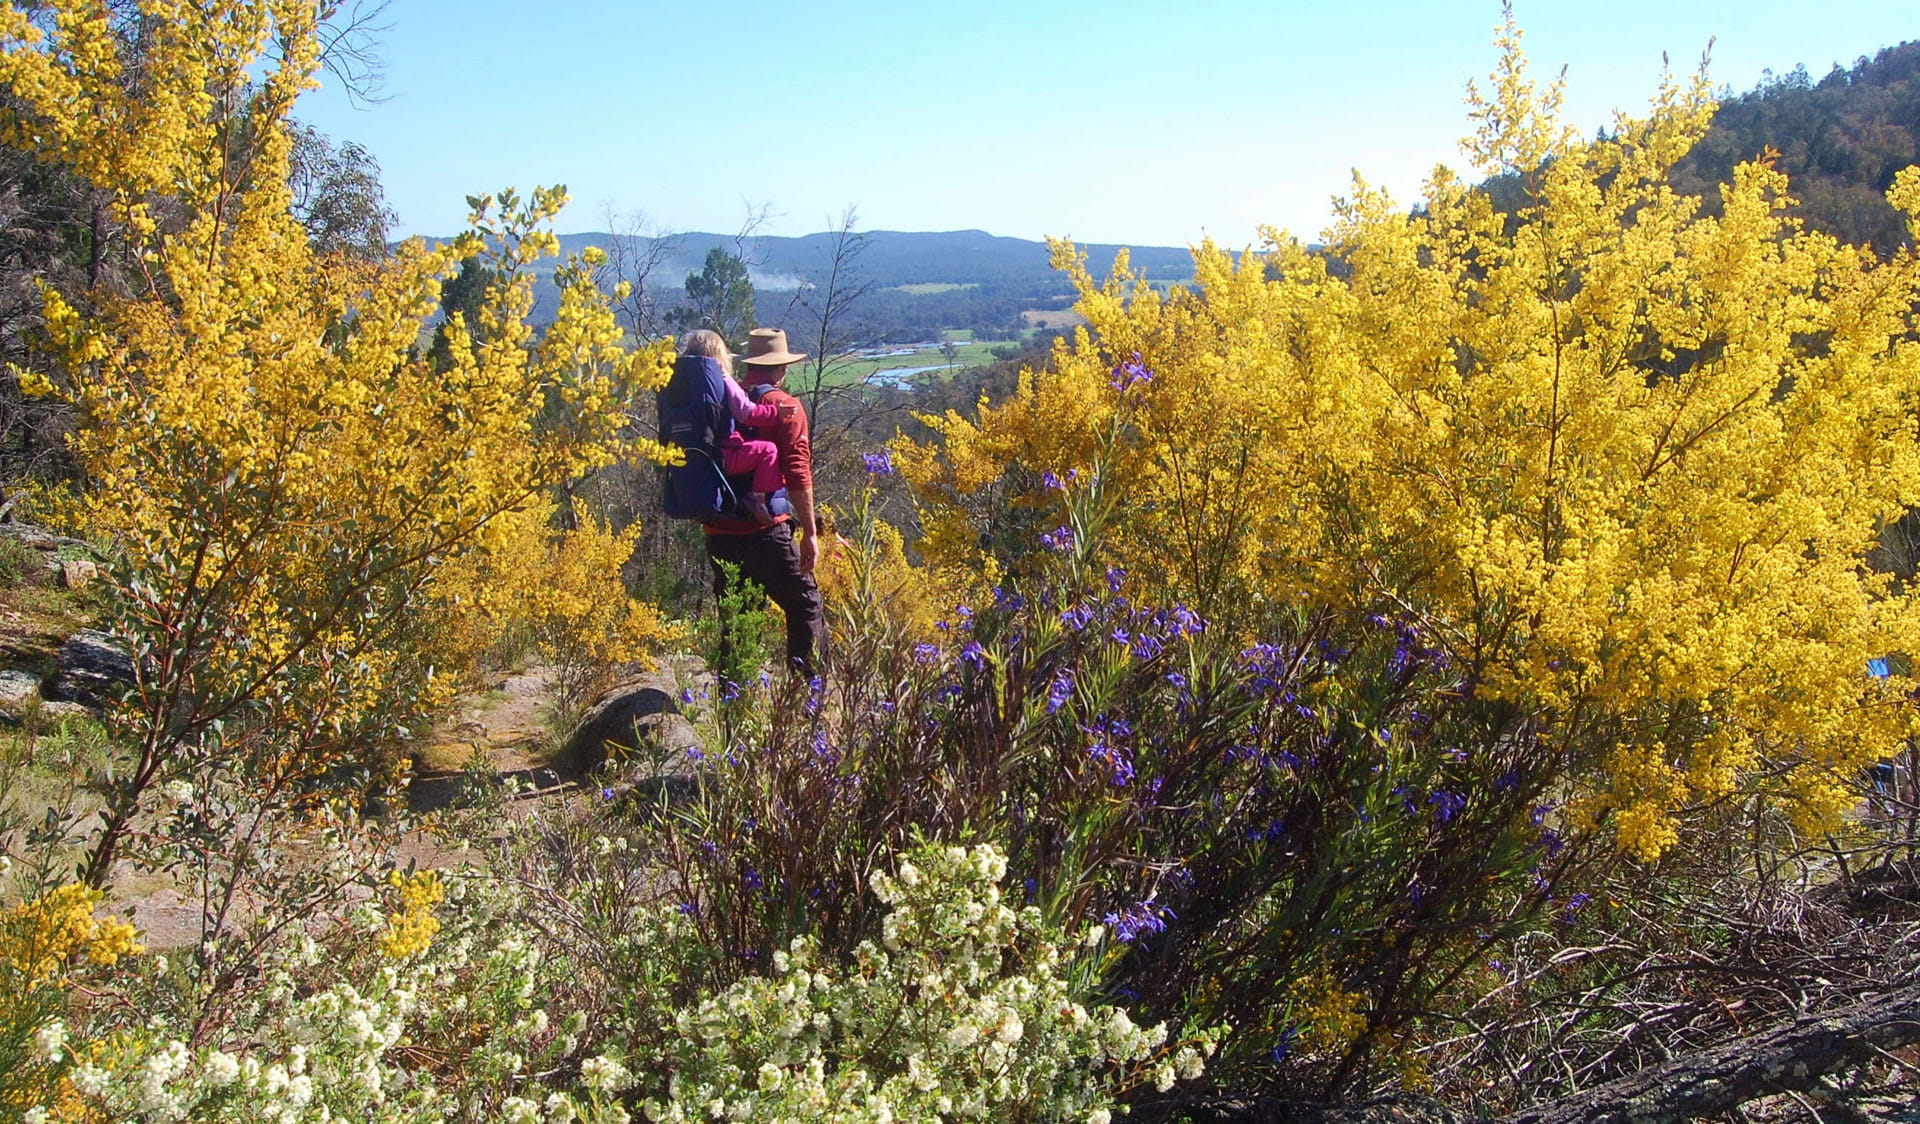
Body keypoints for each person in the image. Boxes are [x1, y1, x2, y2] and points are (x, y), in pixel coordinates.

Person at [703, 327, 825, 676]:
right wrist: (810, 533)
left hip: (720, 529)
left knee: (739, 617)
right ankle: (807, 701)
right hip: (766, 531)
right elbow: (798, 474)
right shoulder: (785, 407)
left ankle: (733, 707)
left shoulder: (721, 398)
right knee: (805, 606)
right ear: (781, 368)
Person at [678, 329, 781, 525]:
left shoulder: (682, 384)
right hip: (721, 455)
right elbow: (746, 412)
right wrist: (776, 414)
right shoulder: (722, 379)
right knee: (768, 450)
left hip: (690, 455)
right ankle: (757, 500)